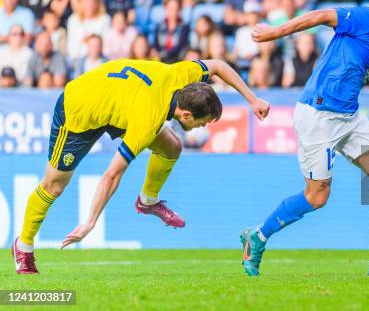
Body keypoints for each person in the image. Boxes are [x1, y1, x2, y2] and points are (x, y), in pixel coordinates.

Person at [240, 0, 369, 277]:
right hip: (319, 115)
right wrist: (275, 32)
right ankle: (257, 237)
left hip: (349, 115)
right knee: (316, 198)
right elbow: (324, 15)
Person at [11, 57, 270, 274]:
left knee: (172, 146)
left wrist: (252, 99)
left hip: (121, 102)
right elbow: (111, 175)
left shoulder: (182, 74)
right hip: (79, 110)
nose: (202, 128)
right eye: (202, 123)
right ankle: (23, 247)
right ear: (187, 115)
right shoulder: (147, 121)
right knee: (54, 186)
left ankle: (147, 200)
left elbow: (219, 66)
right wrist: (89, 222)